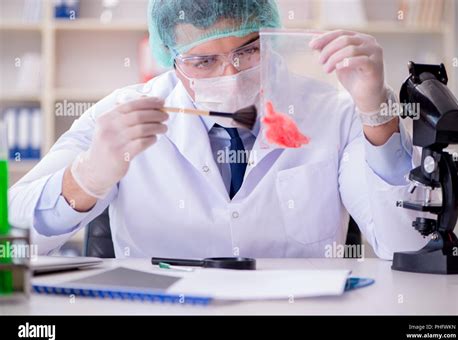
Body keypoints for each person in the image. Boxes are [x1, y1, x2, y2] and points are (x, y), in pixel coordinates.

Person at [9, 0, 428, 258]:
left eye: (247, 50)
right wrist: (84, 179)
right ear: (169, 57)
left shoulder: (333, 112)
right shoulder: (121, 114)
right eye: (204, 61)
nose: (231, 72)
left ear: (268, 34)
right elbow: (14, 240)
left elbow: (407, 246)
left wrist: (377, 110)